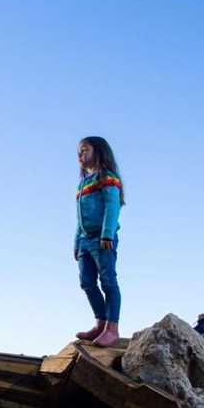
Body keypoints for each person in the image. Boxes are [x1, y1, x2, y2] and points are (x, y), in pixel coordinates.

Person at [74, 136, 124, 346]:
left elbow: (112, 207)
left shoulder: (107, 178)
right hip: (85, 240)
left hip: (103, 239)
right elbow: (79, 216)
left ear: (99, 151)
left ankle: (112, 328)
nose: (80, 155)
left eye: (85, 150)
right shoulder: (83, 183)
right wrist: (77, 242)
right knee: (86, 282)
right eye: (79, 152)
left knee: (108, 281)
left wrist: (107, 233)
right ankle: (100, 322)